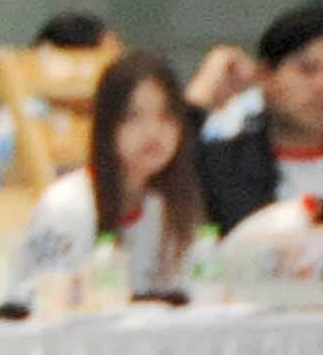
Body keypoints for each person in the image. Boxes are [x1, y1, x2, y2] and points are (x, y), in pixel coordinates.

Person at [16, 50, 205, 302]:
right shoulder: (65, 207)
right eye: (133, 116)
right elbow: (38, 300)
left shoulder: (169, 208)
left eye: (166, 116)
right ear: (107, 125)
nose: (153, 132)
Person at [197, 6, 323, 231]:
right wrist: (203, 93)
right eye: (307, 69)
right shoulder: (222, 168)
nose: (320, 86)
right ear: (264, 75)